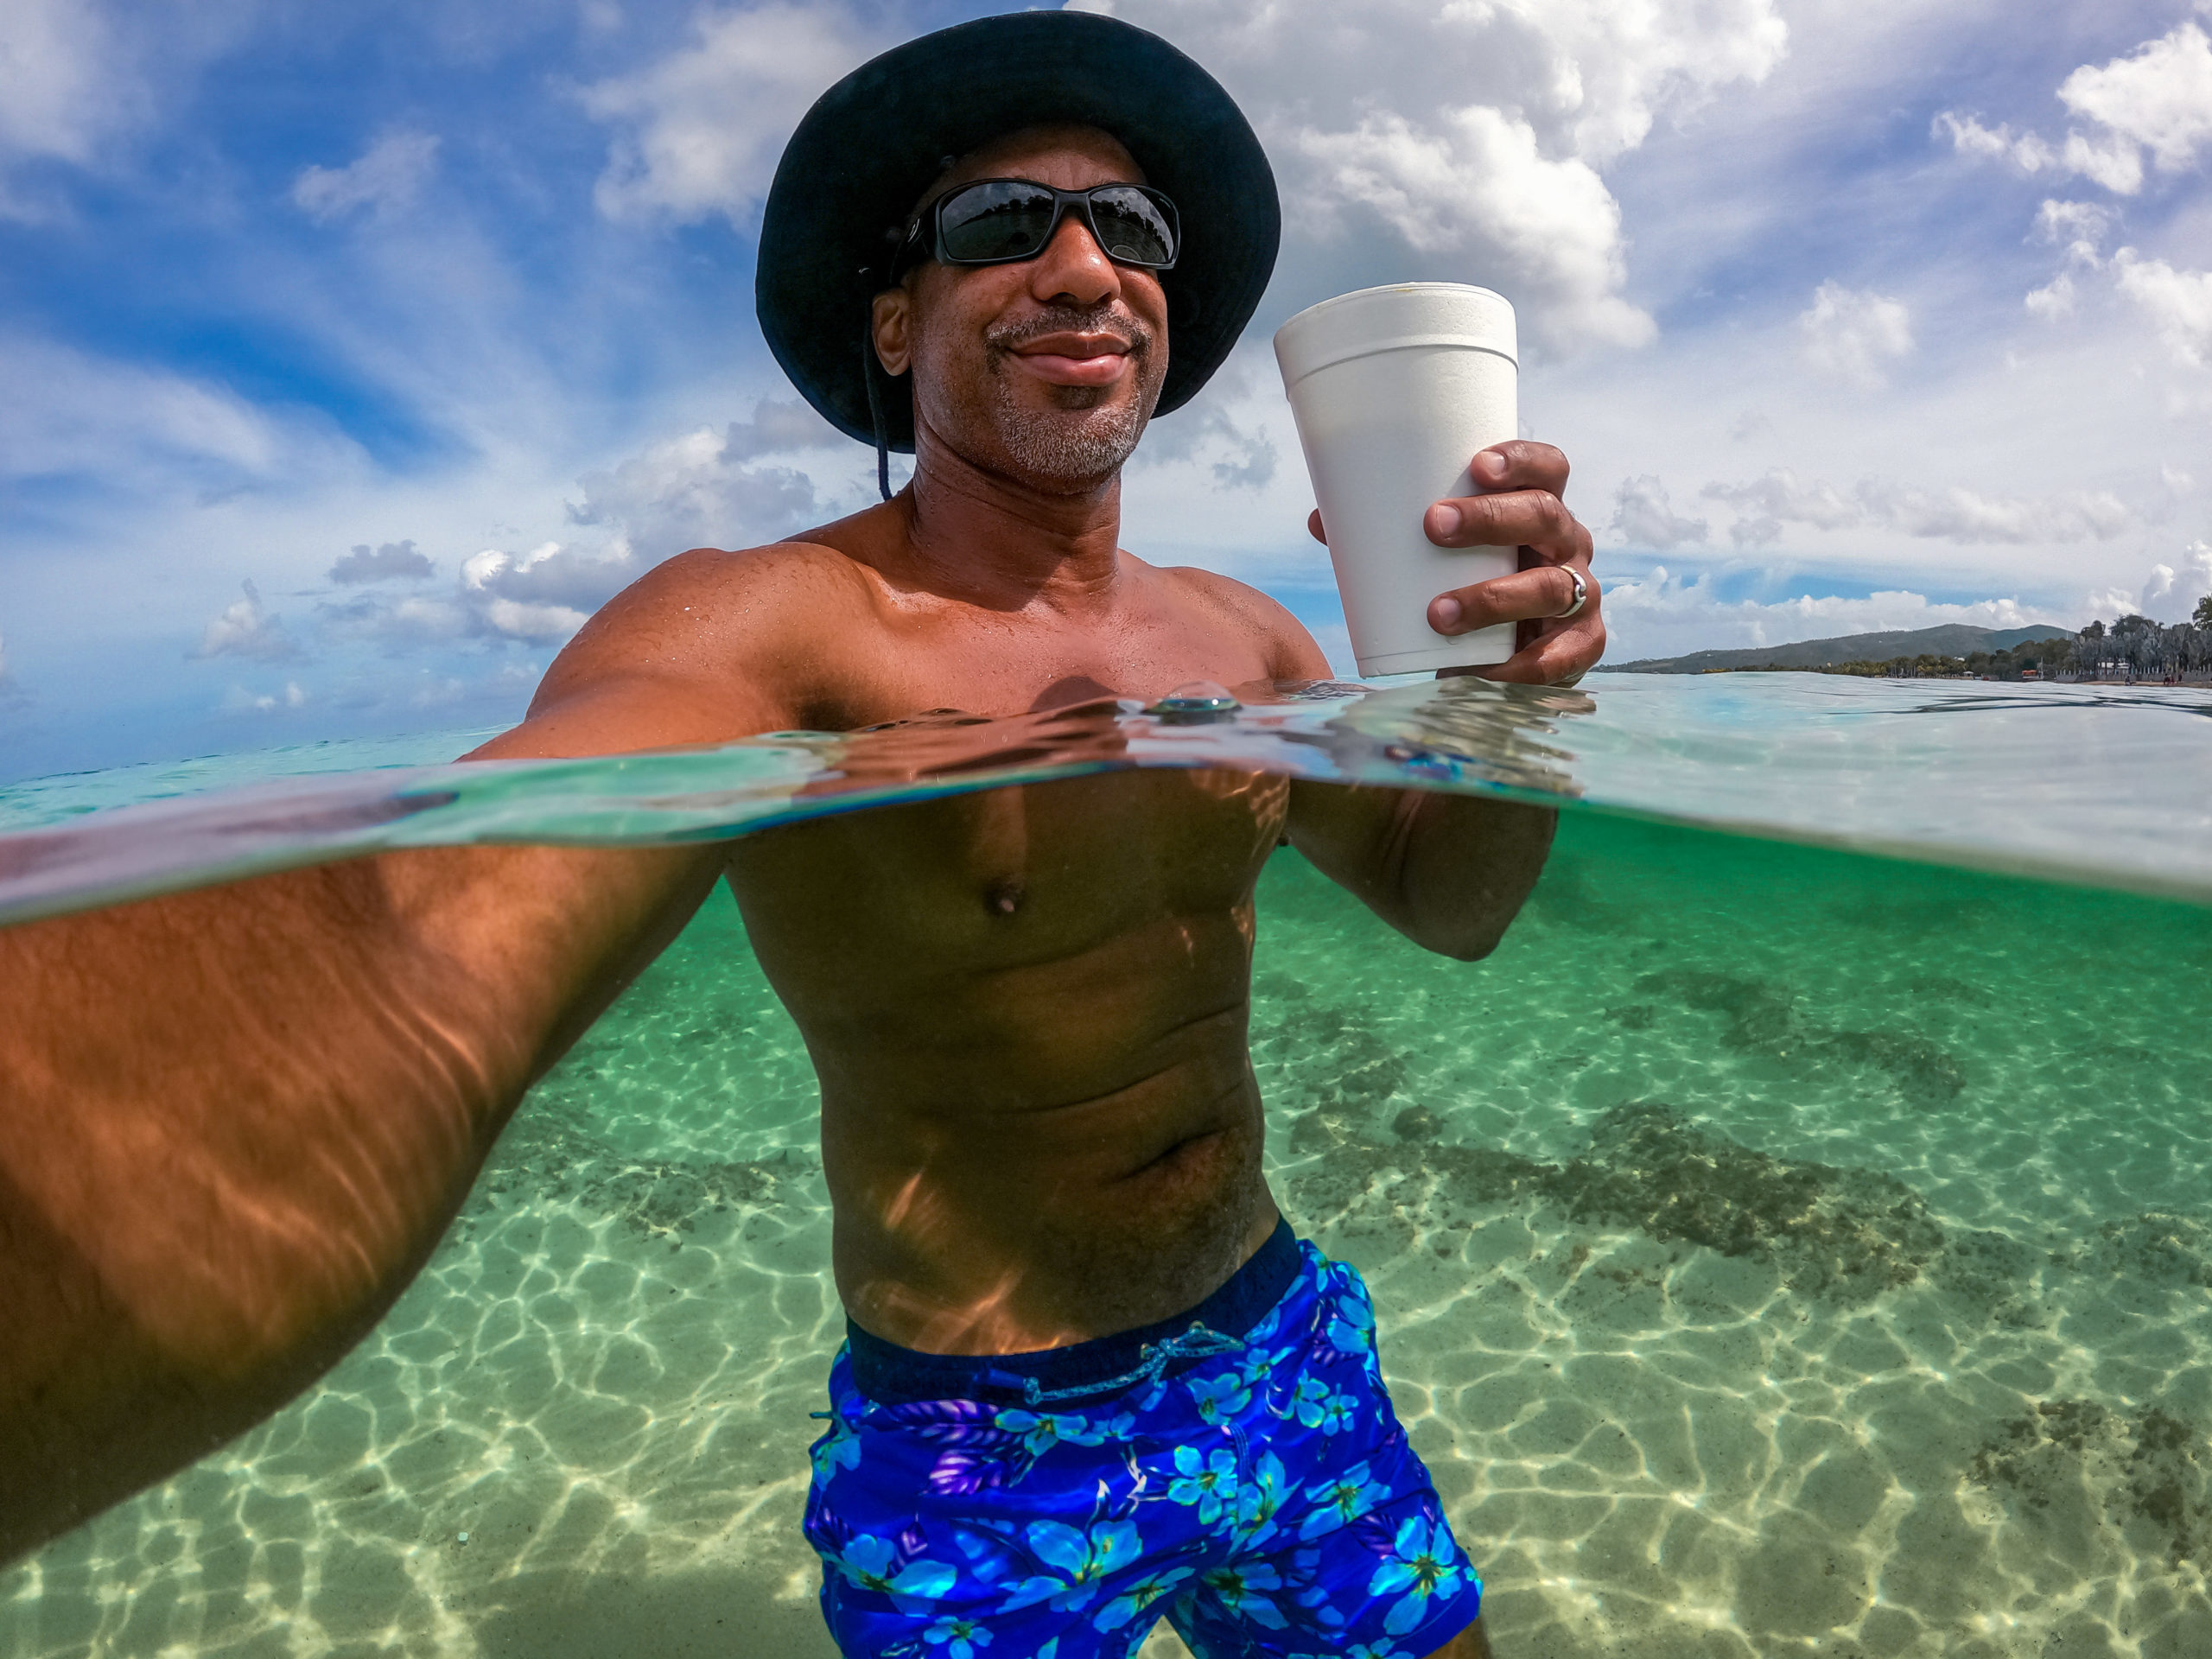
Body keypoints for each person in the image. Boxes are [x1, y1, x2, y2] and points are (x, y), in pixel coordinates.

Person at [0, 13, 1601, 1657]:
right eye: (1002, 224)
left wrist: (1515, 705)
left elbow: (1447, 902)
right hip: (980, 1441)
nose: (1079, 267)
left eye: (1131, 230)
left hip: (1282, 1347)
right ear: (896, 321)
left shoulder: (1250, 637)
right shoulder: (775, 629)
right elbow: (431, 923)